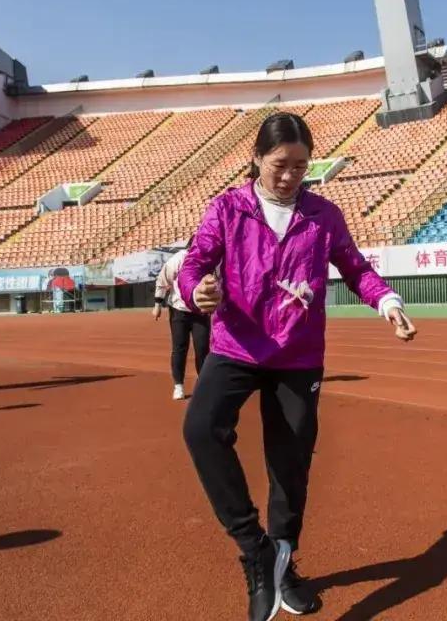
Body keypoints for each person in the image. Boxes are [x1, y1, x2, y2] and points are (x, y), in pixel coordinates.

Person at [177, 112, 417, 621]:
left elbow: (354, 267)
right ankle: (256, 549)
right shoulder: (227, 208)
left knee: (290, 463)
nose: (289, 176)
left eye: (301, 166)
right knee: (200, 428)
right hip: (237, 345)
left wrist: (387, 302)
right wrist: (196, 291)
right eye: (280, 164)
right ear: (257, 159)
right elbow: (195, 262)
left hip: (299, 353)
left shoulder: (323, 215)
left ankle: (283, 562)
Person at [153, 238, 212, 401]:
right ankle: (178, 385)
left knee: (202, 348)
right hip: (179, 310)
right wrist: (158, 304)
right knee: (179, 347)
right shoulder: (178, 259)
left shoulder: (209, 261)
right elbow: (163, 280)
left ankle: (202, 384)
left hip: (200, 311)